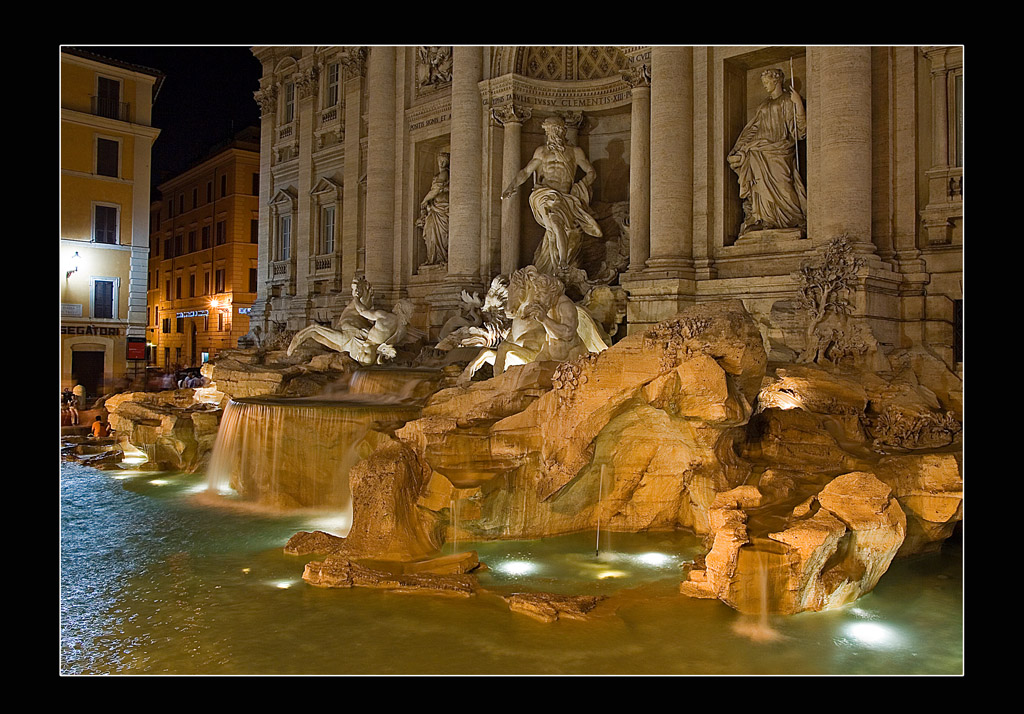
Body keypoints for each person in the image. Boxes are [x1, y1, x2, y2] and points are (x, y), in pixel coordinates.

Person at [501, 116, 603, 274]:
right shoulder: (541, 152)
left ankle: (558, 264)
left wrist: (581, 185)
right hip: (544, 194)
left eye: (555, 130)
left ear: (563, 131)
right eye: (549, 131)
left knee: (555, 230)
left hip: (565, 197)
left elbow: (591, 172)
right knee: (555, 222)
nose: (552, 134)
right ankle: (562, 261)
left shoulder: (575, 152)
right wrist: (512, 186)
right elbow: (526, 172)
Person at [728, 68, 807, 237]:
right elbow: (753, 129)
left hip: (780, 149)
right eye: (763, 83)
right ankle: (766, 219)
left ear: (777, 81)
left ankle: (792, 219)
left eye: (767, 82)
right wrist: (739, 148)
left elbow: (798, 130)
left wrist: (798, 104)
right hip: (758, 150)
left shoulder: (787, 100)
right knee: (759, 185)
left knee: (784, 185)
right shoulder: (764, 104)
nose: (764, 86)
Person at [416, 152, 450, 266]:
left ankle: (441, 258)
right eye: (440, 160)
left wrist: (424, 201)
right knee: (430, 232)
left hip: (442, 207)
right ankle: (433, 258)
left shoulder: (444, 174)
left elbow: (435, 190)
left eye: (444, 160)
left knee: (441, 234)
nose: (442, 162)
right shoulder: (438, 175)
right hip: (435, 208)